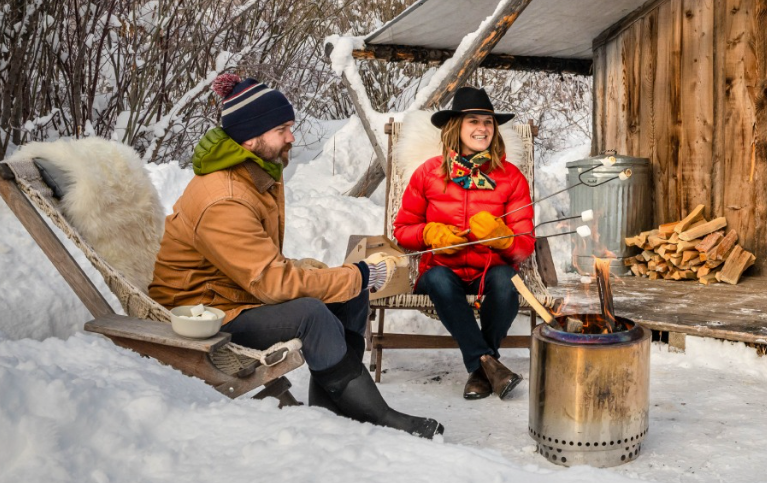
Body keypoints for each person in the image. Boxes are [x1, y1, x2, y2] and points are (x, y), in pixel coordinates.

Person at [150, 73, 443, 439]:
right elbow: (272, 283)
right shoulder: (225, 197)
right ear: (251, 136)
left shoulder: (252, 173)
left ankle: (332, 408)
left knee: (350, 292)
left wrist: (337, 276)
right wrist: (360, 273)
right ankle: (381, 417)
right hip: (203, 313)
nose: (291, 137)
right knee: (312, 314)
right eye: (282, 129)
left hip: (233, 295)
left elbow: (253, 262)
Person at [392, 86, 535, 400]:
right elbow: (403, 229)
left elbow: (525, 245)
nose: (482, 128)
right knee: (440, 279)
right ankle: (488, 364)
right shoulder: (428, 174)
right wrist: (430, 234)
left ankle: (481, 368)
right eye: (473, 121)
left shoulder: (511, 178)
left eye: (487, 122)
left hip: (489, 271)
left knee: (506, 281)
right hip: (442, 273)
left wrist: (504, 238)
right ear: (456, 126)